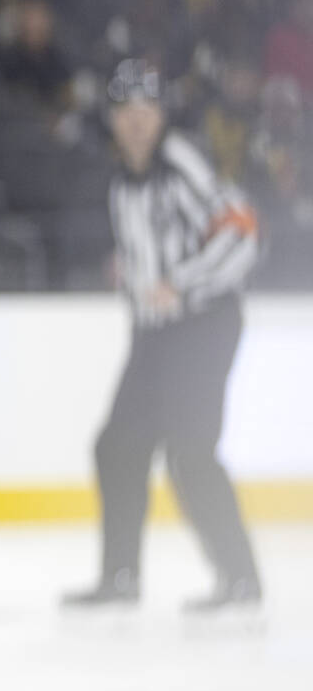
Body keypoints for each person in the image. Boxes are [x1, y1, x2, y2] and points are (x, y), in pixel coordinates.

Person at [62, 59, 262, 613]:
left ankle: (242, 580)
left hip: (204, 328)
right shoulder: (123, 182)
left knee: (191, 453)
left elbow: (242, 228)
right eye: (125, 111)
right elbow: (148, 251)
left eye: (146, 110)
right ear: (112, 118)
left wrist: (182, 282)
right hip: (154, 337)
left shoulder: (181, 161)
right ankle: (120, 579)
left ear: (162, 114)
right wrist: (131, 272)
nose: (136, 122)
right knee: (117, 448)